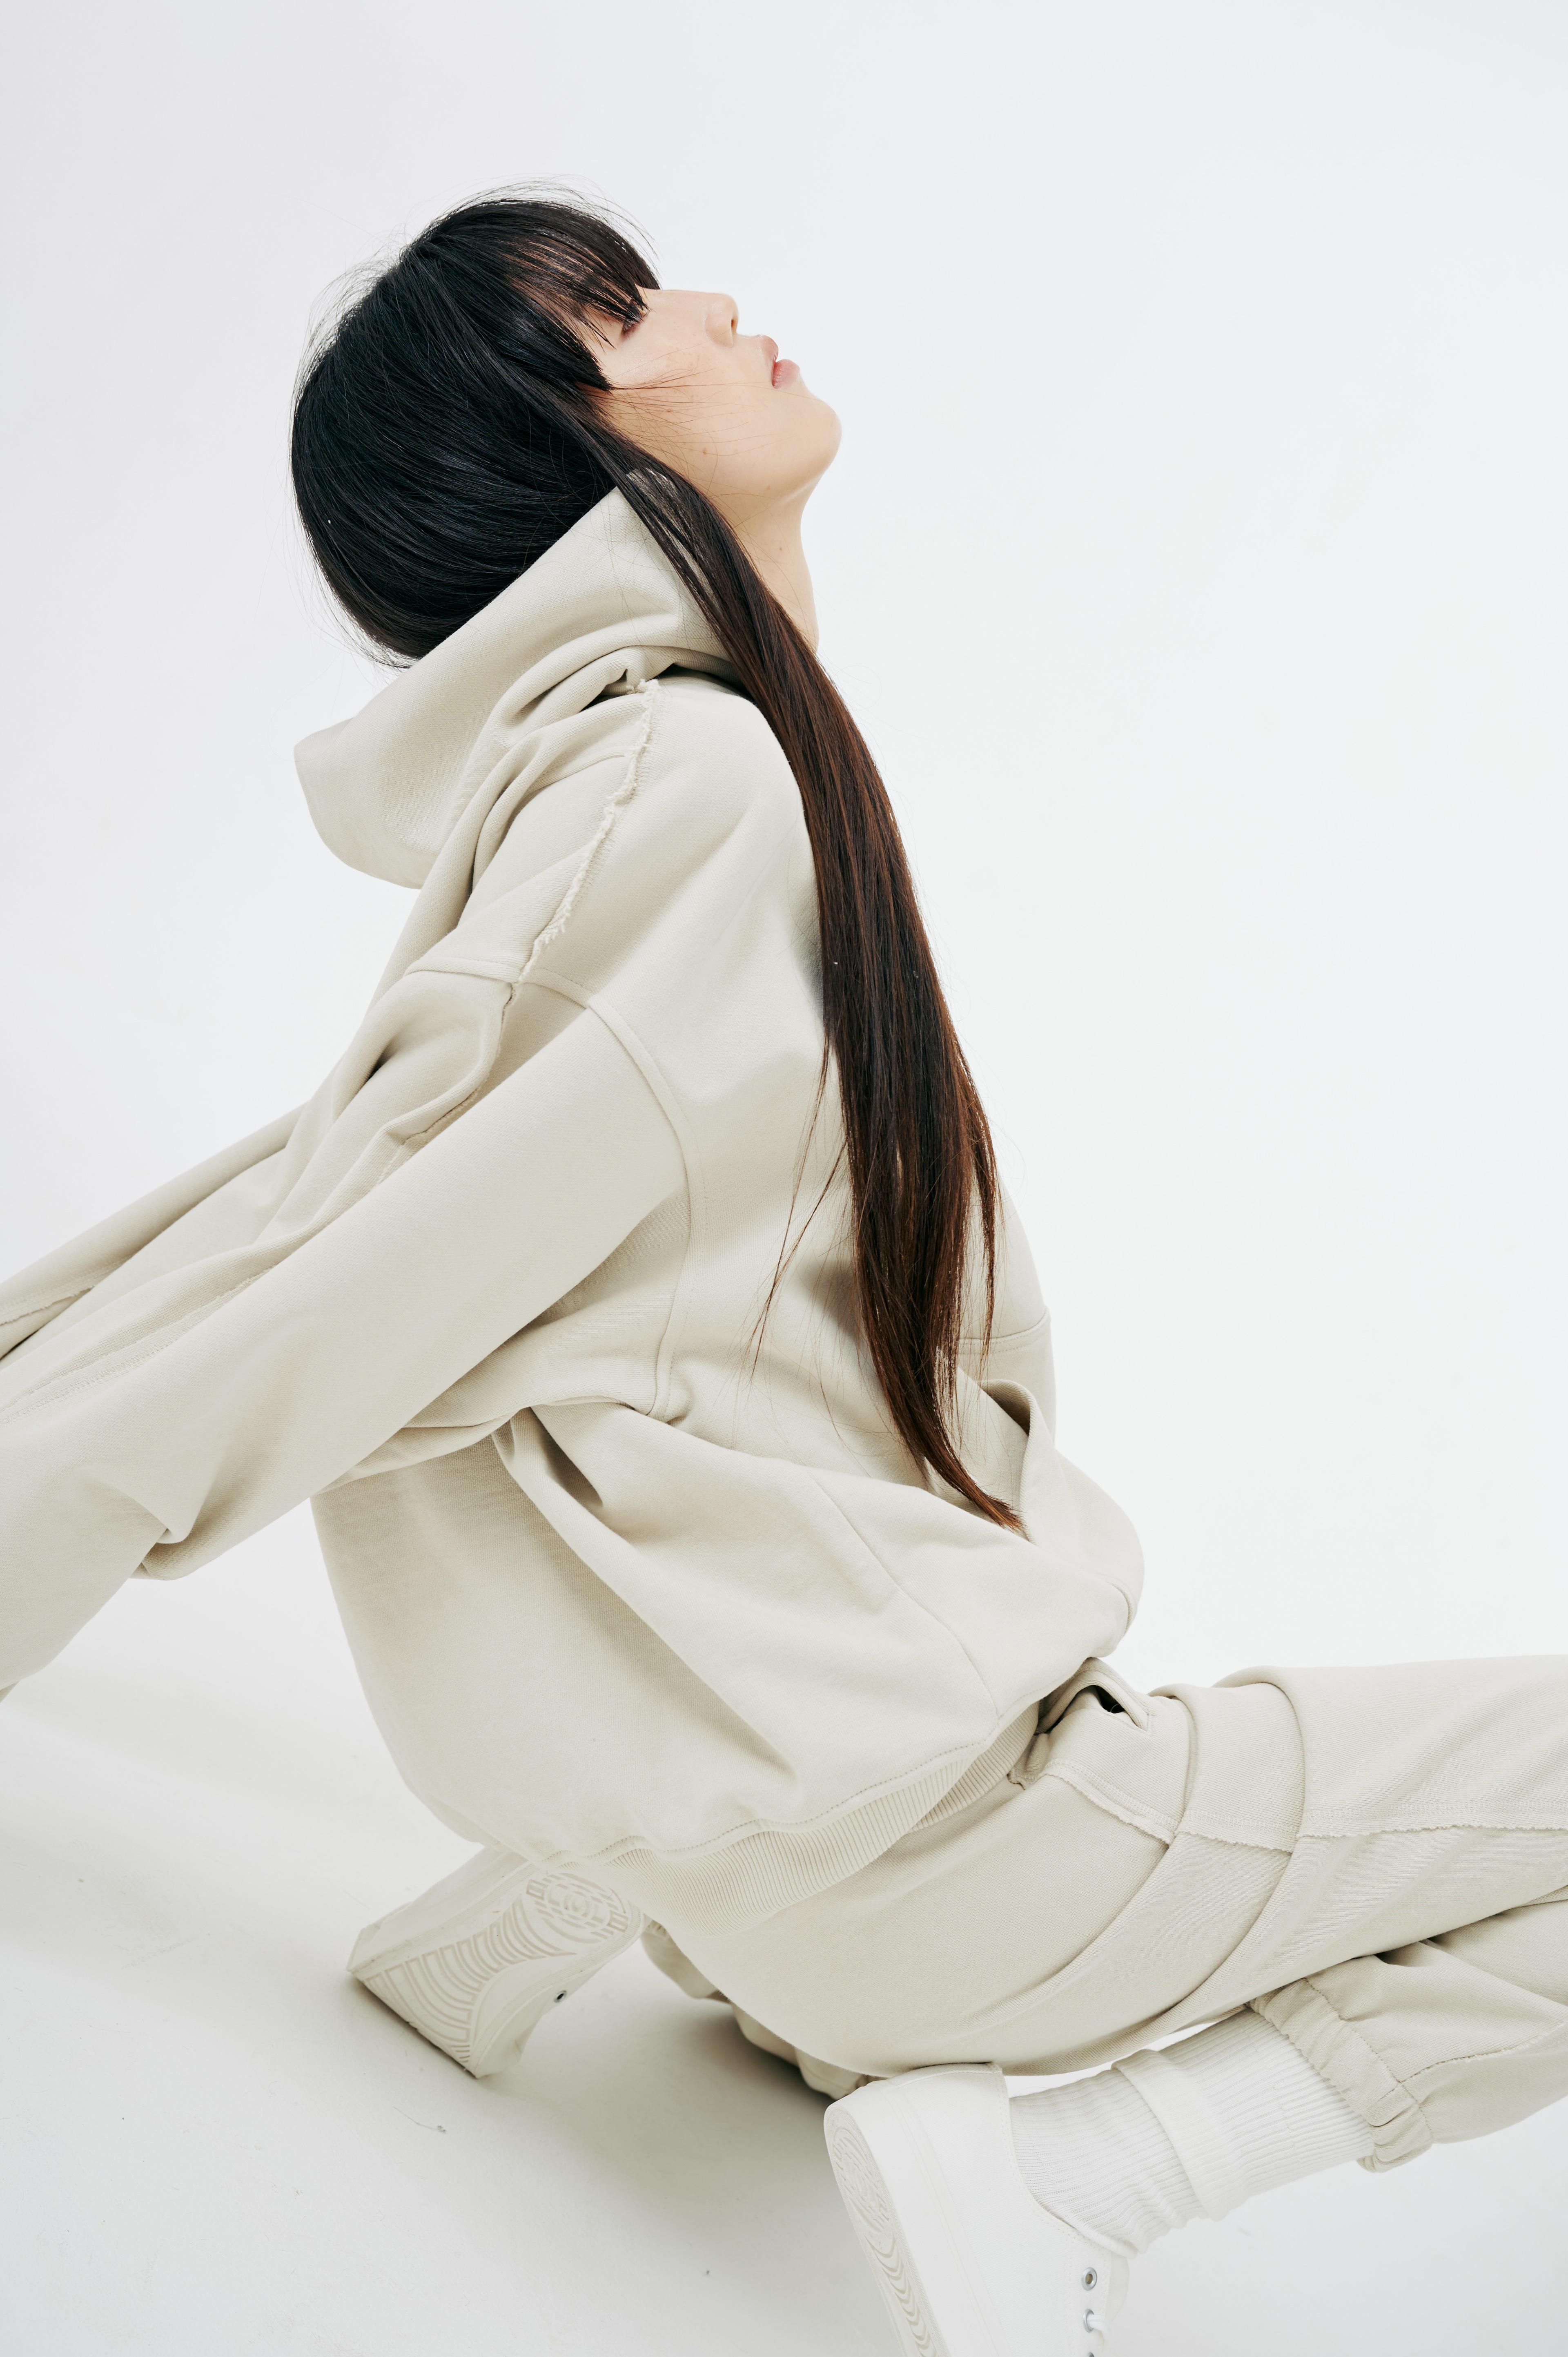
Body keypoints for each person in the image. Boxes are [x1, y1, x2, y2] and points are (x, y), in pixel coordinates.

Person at [2, 189, 1565, 2357]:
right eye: (619, 313)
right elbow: (333, 1270)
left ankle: (600, 1865)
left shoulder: (670, 770)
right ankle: (1080, 2180)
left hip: (799, 1836)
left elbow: (369, 1213)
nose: (716, 307)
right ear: (554, 447)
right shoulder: (685, 779)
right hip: (907, 1850)